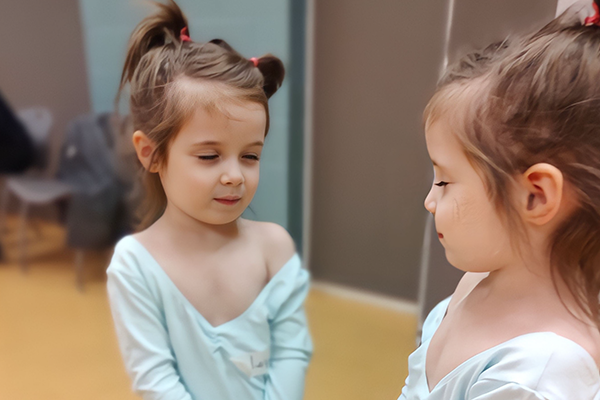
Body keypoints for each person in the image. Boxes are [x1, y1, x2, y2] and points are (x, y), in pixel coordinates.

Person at [105, 2, 312, 399]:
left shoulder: (273, 247)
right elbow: (155, 381)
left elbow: (291, 351)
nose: (235, 174)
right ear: (150, 153)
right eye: (209, 156)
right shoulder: (136, 265)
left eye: (250, 155)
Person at [400, 2, 600, 399]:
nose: (429, 201)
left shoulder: (537, 374)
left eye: (445, 181)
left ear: (535, 196)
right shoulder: (478, 279)